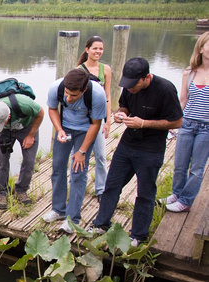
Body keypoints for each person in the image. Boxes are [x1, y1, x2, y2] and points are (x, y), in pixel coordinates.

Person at [89, 57, 183, 245]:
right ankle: (101, 224)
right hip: (127, 145)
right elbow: (125, 104)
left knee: (145, 193)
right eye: (127, 84)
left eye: (133, 85)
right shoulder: (129, 86)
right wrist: (121, 113)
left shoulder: (165, 89)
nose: (129, 88)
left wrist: (144, 123)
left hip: (151, 149)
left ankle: (138, 235)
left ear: (146, 77)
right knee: (112, 186)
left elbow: (177, 121)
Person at [42, 68, 107, 233]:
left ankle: (73, 220)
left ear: (83, 90)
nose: (69, 99)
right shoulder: (56, 87)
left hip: (86, 131)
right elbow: (52, 109)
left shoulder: (97, 94)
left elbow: (96, 124)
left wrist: (82, 151)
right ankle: (58, 210)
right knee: (57, 167)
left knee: (78, 171)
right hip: (64, 128)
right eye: (67, 94)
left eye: (74, 96)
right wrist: (59, 129)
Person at [161, 32, 209, 212]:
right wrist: (174, 124)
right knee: (180, 164)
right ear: (201, 48)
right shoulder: (189, 72)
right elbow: (183, 100)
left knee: (197, 167)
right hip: (187, 123)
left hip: (207, 127)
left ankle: (186, 201)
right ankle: (177, 193)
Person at [0, 92, 44, 210]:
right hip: (5, 131)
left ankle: (21, 190)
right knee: (2, 160)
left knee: (29, 160)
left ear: (8, 117)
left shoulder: (24, 103)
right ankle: (2, 193)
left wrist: (31, 135)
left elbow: (41, 113)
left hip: (27, 127)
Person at [77, 36, 112, 201]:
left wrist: (108, 119)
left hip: (99, 118)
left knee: (101, 155)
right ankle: (78, 185)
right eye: (95, 48)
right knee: (79, 152)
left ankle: (101, 189)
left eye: (101, 49)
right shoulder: (79, 70)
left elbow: (108, 96)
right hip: (83, 117)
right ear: (87, 49)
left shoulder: (106, 69)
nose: (98, 52)